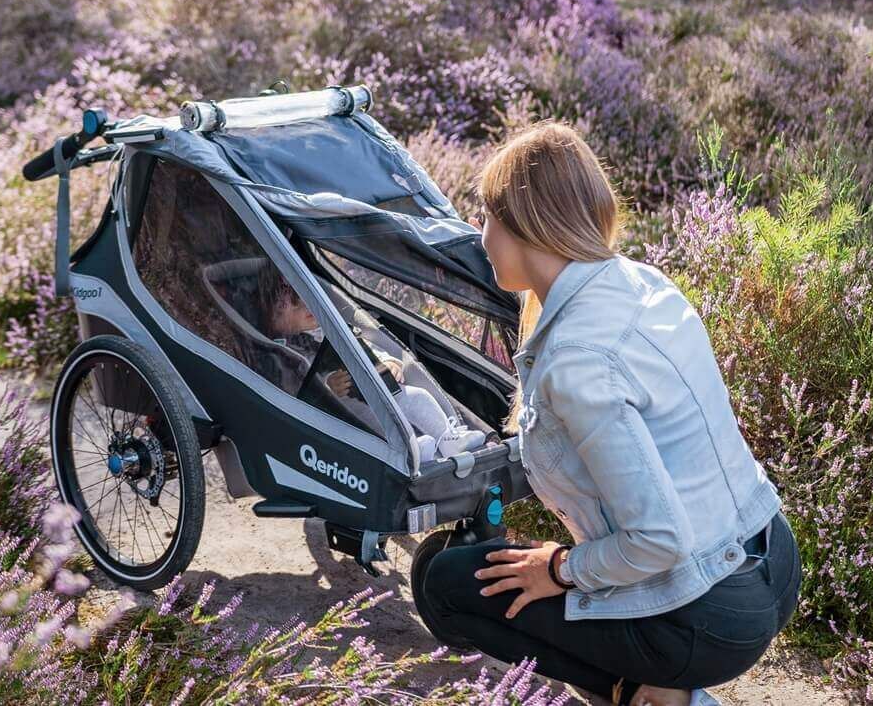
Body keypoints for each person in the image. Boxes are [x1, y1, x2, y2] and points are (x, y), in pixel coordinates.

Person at [419, 121, 802, 706]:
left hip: (712, 611)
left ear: (527, 227)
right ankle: (648, 684)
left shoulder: (577, 360)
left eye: (489, 216)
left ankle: (671, 698)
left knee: (446, 586)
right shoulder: (640, 282)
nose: (481, 234)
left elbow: (659, 541)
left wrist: (561, 568)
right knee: (459, 574)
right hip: (769, 559)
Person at [258, 266, 486, 462]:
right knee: (377, 424)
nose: (308, 307)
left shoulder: (328, 326)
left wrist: (386, 361)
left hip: (376, 387)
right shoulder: (284, 350)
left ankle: (447, 438)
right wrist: (326, 386)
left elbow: (363, 345)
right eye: (295, 306)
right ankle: (414, 449)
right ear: (274, 320)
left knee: (418, 396)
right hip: (343, 407)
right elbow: (297, 384)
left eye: (308, 298)